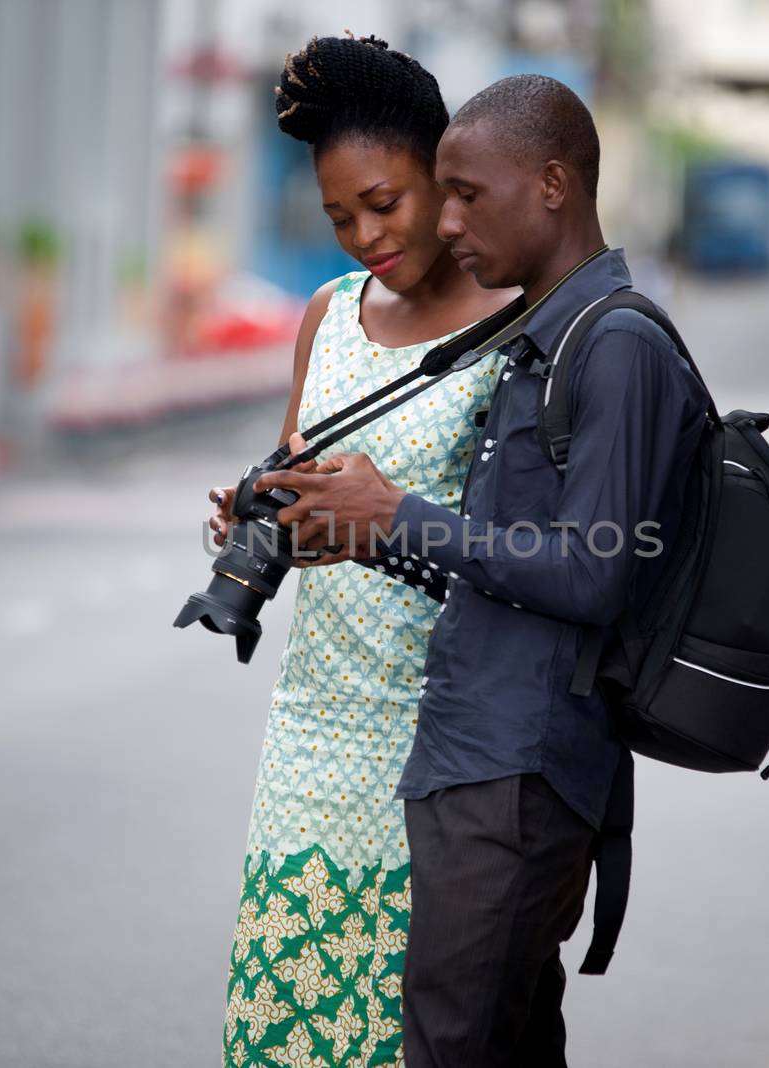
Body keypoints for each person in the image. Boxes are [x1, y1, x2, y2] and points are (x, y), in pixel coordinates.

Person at [254, 75, 706, 1064]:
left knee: (447, 1047)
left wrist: (397, 516)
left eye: (466, 194)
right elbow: (498, 560)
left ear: (550, 184)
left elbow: (592, 574)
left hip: (519, 767)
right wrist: (352, 529)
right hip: (472, 755)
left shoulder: (615, 342)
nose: (446, 221)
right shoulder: (543, 340)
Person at [211, 34, 516, 1068]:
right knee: (287, 1024)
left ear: (444, 172)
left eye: (382, 202)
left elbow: (518, 549)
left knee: (405, 1029)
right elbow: (309, 491)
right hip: (311, 720)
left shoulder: (513, 326)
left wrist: (384, 521)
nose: (364, 237)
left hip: (438, 737)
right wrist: (261, 517)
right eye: (341, 217)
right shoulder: (327, 316)